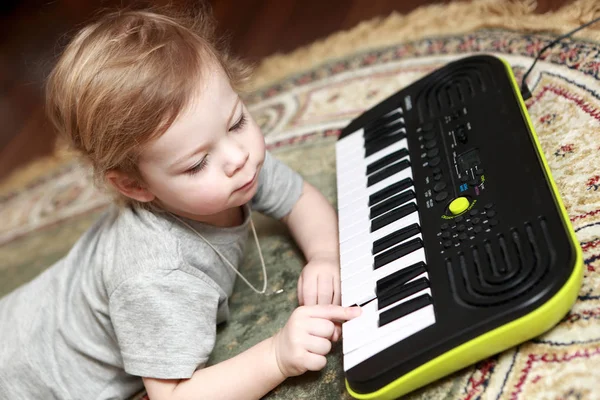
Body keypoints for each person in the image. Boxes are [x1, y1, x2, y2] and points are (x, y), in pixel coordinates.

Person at [0, 5, 361, 400]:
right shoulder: (156, 273)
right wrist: (275, 357)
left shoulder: (235, 167)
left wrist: (325, 255)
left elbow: (299, 198)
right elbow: (173, 396)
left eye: (237, 121)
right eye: (197, 163)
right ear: (136, 186)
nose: (236, 157)